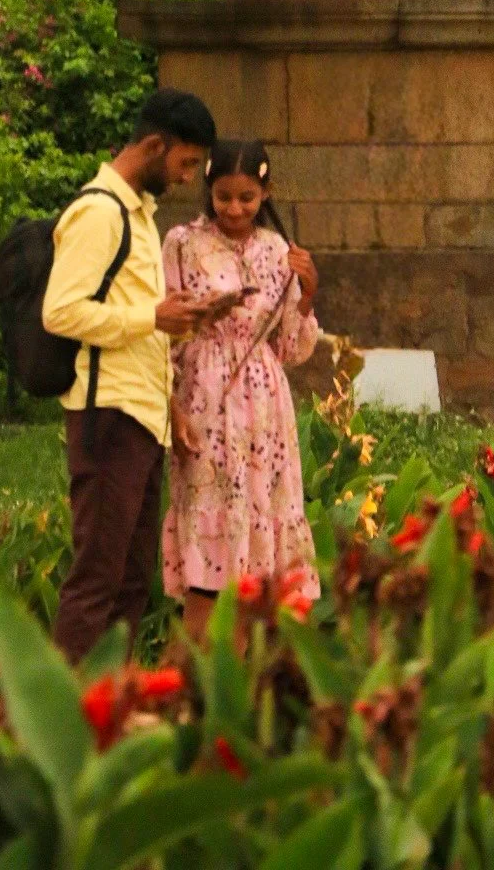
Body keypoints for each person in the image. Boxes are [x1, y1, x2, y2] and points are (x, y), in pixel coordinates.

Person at [43, 87, 219, 664]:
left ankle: (106, 711)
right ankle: (60, 719)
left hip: (142, 417)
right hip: (106, 414)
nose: (190, 178)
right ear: (152, 145)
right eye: (186, 162)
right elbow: (60, 311)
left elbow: (133, 321)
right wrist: (152, 314)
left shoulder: (138, 215)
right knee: (98, 578)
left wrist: (172, 320)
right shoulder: (99, 212)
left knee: (127, 582)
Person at [161, 140, 321, 647]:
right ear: (208, 188)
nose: (233, 209)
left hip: (265, 406)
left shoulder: (278, 251)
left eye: (246, 198)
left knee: (263, 528)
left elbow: (292, 349)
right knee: (207, 535)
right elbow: (162, 333)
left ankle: (260, 674)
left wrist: (309, 292)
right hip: (204, 394)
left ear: (265, 193)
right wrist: (173, 407)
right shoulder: (182, 243)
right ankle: (203, 668)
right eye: (223, 196)